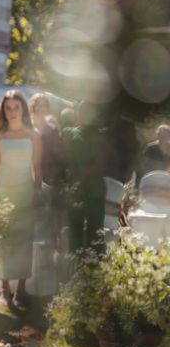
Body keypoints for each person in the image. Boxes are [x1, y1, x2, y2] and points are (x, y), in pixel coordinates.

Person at [0, 90, 42, 309]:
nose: (12, 112)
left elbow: (37, 168)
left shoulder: (33, 136)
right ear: (3, 111)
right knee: (5, 242)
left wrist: (38, 195)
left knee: (23, 242)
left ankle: (21, 291)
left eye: (16, 107)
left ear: (23, 109)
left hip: (25, 193)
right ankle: (4, 289)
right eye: (8, 108)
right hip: (3, 194)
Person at [60, 101, 108, 253]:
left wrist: (82, 178)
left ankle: (96, 268)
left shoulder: (101, 134)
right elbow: (63, 158)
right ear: (78, 114)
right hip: (75, 188)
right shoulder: (69, 132)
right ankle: (75, 268)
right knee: (75, 228)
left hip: (95, 188)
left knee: (96, 229)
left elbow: (101, 162)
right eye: (83, 111)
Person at [28, 93, 61, 186]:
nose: (41, 108)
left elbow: (57, 154)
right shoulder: (26, 128)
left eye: (44, 105)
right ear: (33, 106)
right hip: (28, 173)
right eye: (38, 105)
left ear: (47, 108)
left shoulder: (52, 129)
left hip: (47, 175)